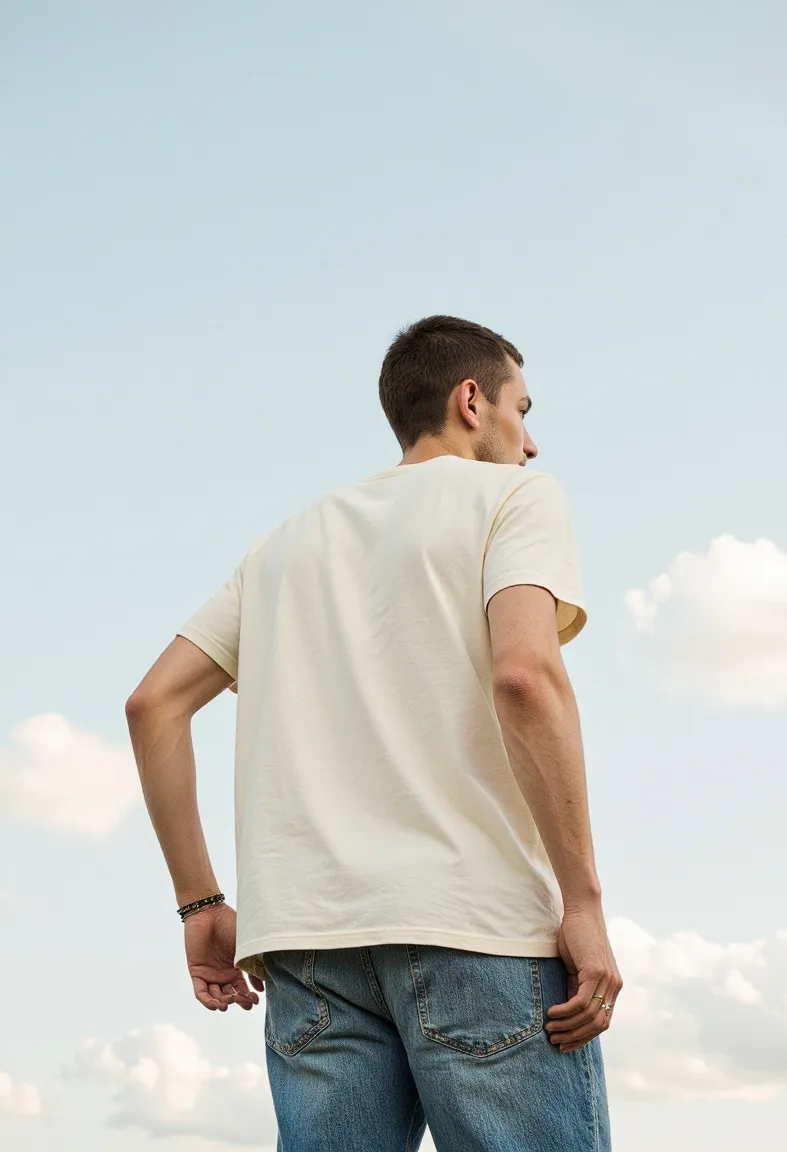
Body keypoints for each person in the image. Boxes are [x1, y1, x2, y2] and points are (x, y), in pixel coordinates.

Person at [125, 315, 622, 1151]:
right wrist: (583, 901)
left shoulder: (282, 546)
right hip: (476, 926)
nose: (530, 444)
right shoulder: (517, 499)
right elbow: (525, 677)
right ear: (472, 401)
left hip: (309, 945)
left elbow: (154, 705)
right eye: (522, 410)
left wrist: (201, 904)